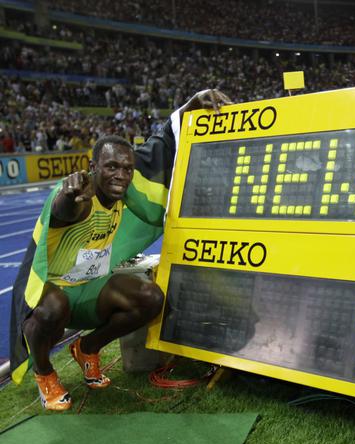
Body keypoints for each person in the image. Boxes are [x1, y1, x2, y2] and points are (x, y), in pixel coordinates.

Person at [10, 89, 231, 410]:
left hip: (88, 289)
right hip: (51, 292)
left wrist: (189, 106)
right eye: (111, 167)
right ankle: (45, 373)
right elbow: (63, 209)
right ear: (93, 167)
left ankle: (87, 347)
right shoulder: (80, 192)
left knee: (151, 298)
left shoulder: (125, 190)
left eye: (127, 169)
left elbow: (157, 148)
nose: (122, 175)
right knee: (53, 307)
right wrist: (68, 198)